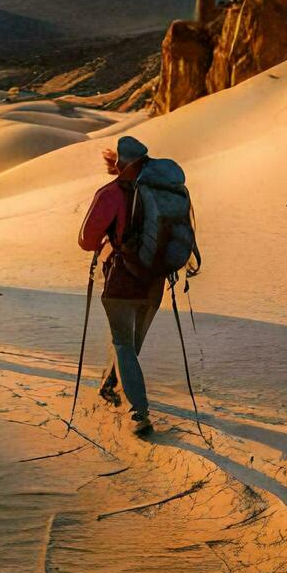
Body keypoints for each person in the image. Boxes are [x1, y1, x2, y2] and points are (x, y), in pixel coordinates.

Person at [77, 135, 164, 436]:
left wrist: (107, 240)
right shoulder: (162, 192)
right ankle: (110, 383)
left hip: (122, 282)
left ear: (118, 164)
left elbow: (86, 240)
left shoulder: (110, 194)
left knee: (124, 344)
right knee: (129, 344)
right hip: (155, 282)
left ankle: (139, 414)